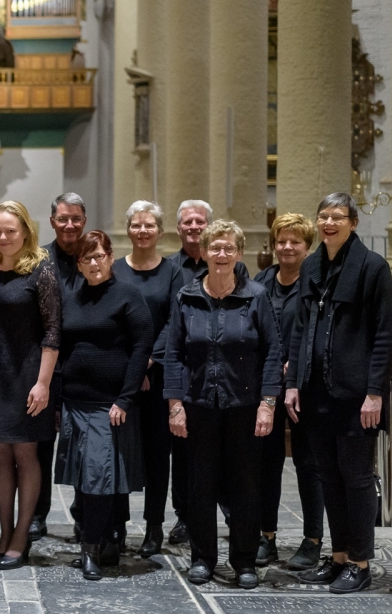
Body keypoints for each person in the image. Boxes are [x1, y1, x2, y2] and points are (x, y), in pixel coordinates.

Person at [287, 193, 392, 594]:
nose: (328, 224)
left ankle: (360, 562)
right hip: (317, 390)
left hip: (355, 396)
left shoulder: (372, 267)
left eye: (337, 217)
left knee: (356, 477)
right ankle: (337, 558)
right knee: (328, 476)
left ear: (352, 222)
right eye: (323, 217)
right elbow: (299, 330)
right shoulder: (312, 265)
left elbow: (385, 335)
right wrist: (294, 383)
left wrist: (374, 393)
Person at [165, 220, 282, 590]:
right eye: (214, 247)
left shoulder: (256, 296)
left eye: (228, 248)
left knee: (245, 484)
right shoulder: (186, 296)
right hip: (198, 404)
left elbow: (272, 351)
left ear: (238, 253)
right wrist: (175, 404)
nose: (220, 254)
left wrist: (267, 404)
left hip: (244, 404)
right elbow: (174, 353)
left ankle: (244, 560)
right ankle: (202, 558)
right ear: (203, 251)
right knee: (201, 483)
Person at [0, 201, 61, 570]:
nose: (3, 237)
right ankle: (4, 534)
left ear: (25, 232)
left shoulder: (41, 270)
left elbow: (53, 329)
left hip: (28, 375)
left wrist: (43, 383)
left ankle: (21, 536)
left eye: (10, 231)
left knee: (25, 455)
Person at [55, 231, 152, 580]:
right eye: (86, 258)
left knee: (99, 476)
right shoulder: (71, 297)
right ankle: (104, 538)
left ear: (111, 257)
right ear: (78, 264)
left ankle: (92, 548)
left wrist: (125, 398)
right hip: (74, 402)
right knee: (87, 477)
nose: (93, 263)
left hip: (108, 404)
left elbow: (142, 347)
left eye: (99, 256)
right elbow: (62, 349)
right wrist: (57, 399)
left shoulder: (128, 295)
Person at [164, 198, 246, 545]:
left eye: (200, 222)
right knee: (185, 457)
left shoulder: (238, 274)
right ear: (179, 228)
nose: (194, 227)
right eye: (188, 223)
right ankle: (186, 518)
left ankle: (230, 512)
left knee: (227, 456)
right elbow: (172, 327)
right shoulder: (172, 269)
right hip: (189, 376)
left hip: (228, 381)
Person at [253, 213, 324, 571]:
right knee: (267, 463)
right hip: (267, 385)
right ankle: (267, 537)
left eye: (295, 241)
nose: (287, 247)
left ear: (307, 246)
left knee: (307, 462)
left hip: (304, 387)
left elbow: (318, 333)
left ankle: (312, 540)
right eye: (281, 240)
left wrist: (293, 365)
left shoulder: (315, 282)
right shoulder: (262, 281)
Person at [111, 201, 181, 558]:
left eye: (149, 225)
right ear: (128, 229)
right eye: (136, 224)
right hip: (121, 377)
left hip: (157, 377)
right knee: (119, 450)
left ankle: (154, 526)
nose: (142, 230)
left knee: (157, 454)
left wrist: (147, 363)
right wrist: (131, 370)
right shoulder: (114, 269)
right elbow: (109, 319)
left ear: (159, 230)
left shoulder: (173, 272)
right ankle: (117, 524)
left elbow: (174, 322)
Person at [39, 192, 86, 542]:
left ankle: (84, 514)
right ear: (52, 221)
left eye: (76, 218)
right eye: (63, 218)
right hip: (46, 369)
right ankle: (38, 514)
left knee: (84, 446)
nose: (69, 225)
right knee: (41, 445)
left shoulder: (95, 255)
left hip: (85, 369)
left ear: (84, 220)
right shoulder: (39, 259)